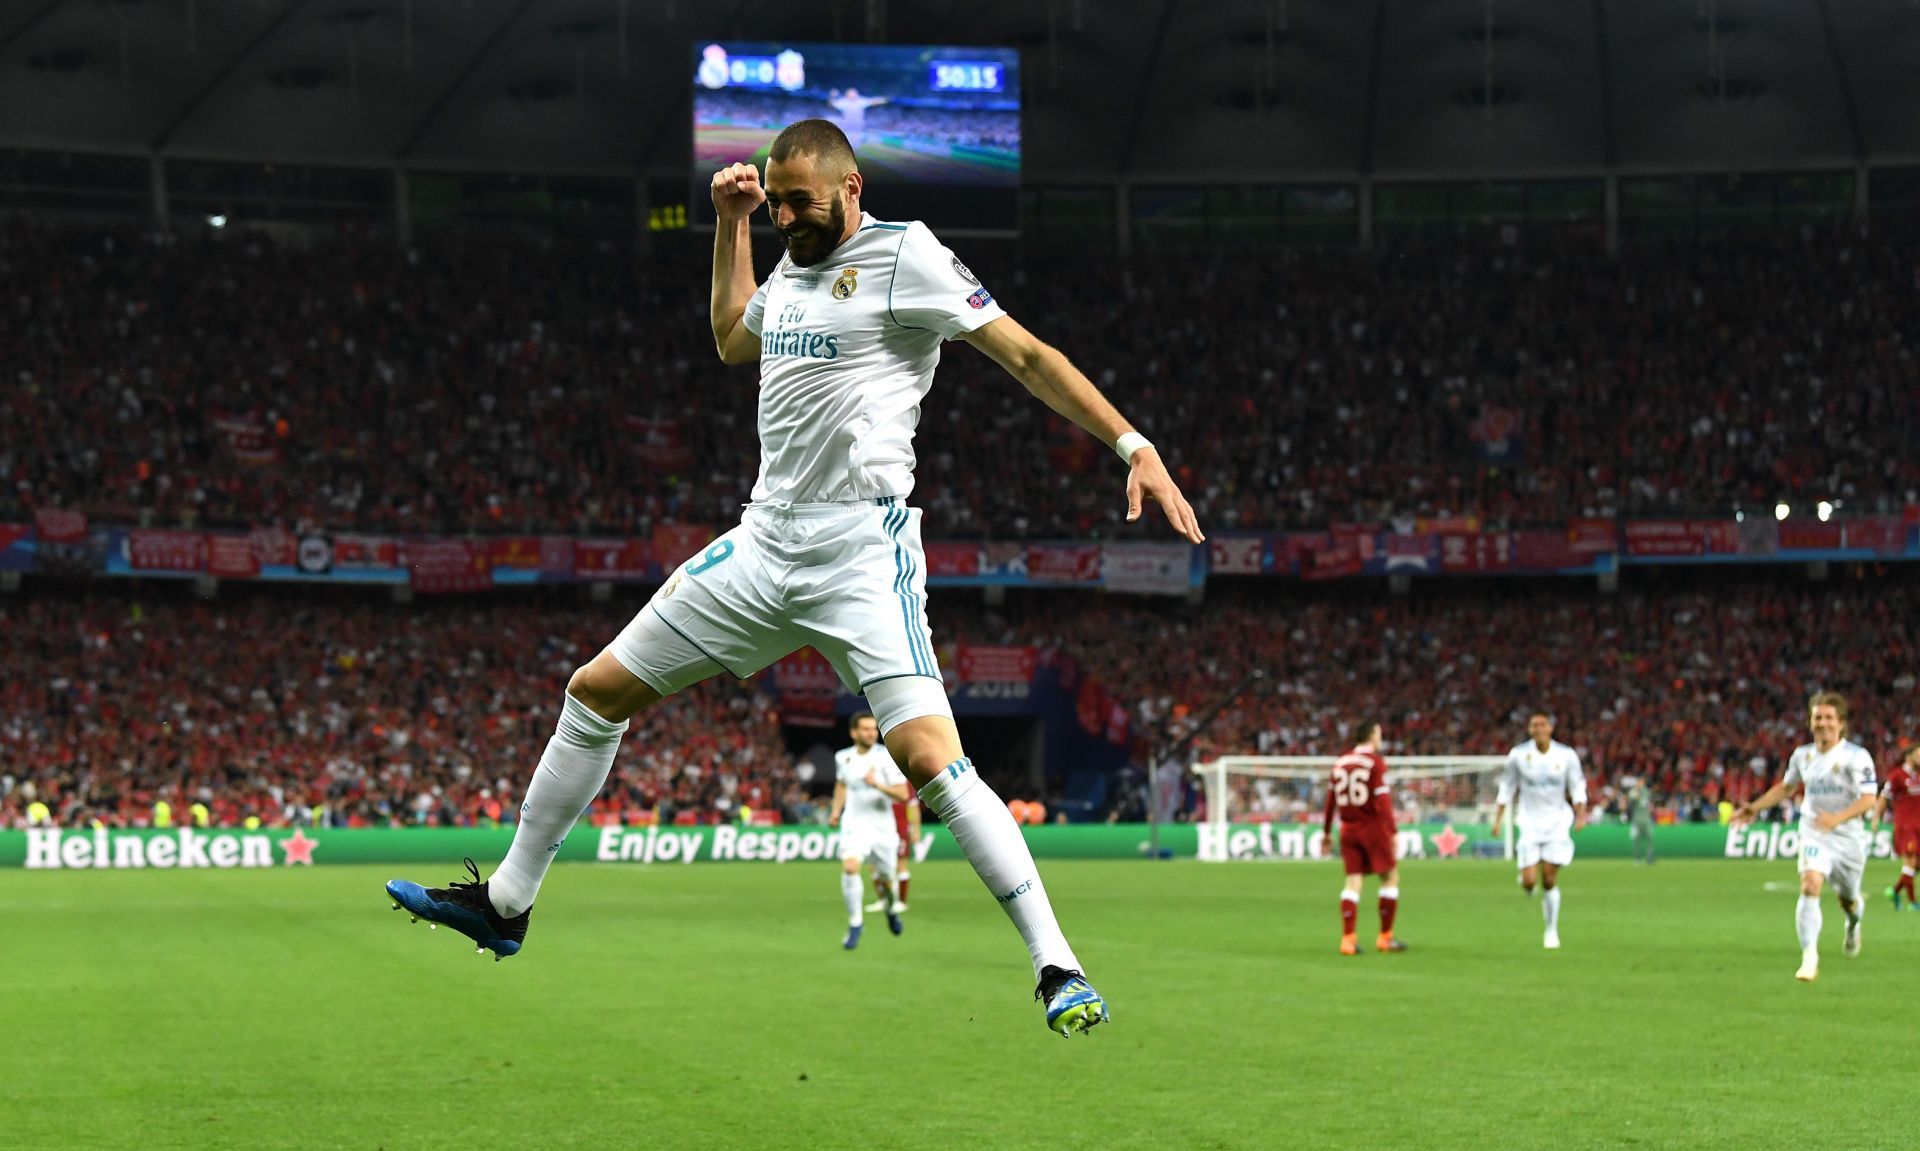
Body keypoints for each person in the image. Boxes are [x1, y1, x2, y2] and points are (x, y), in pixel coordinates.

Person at [384, 117, 1203, 1037]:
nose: (786, 217)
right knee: (595, 689)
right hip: (763, 542)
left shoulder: (909, 257)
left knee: (928, 756)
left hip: (861, 549)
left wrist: (1134, 446)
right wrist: (732, 227)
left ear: (851, 187)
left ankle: (1058, 964)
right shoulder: (787, 260)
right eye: (774, 202)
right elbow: (736, 340)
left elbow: (1026, 356)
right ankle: (507, 901)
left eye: (797, 203)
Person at [1732, 692, 1879, 982]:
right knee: (1810, 884)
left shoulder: (1856, 756)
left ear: (1841, 724)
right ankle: (1809, 957)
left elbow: (1869, 799)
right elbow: (1786, 788)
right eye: (1817, 717)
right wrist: (1754, 807)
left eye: (1828, 717)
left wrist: (1836, 819)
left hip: (1848, 838)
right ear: (1810, 722)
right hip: (1814, 832)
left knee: (1848, 900)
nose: (1822, 723)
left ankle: (1853, 923)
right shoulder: (1803, 755)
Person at [1489, 712, 1588, 950]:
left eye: (1543, 724)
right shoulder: (1519, 755)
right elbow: (1507, 787)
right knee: (1529, 881)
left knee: (1550, 878)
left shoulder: (1566, 755)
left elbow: (1577, 786)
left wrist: (1581, 814)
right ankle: (1526, 881)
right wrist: (1498, 820)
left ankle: (1551, 931)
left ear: (1551, 728)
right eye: (1534, 725)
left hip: (1556, 822)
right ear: (1530, 729)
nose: (1538, 728)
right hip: (1530, 822)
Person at [1320, 721, 1405, 955]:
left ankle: (1348, 940)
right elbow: (1384, 800)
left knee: (1352, 883)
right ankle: (1385, 938)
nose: (1381, 738)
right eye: (1379, 734)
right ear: (1371, 736)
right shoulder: (1375, 763)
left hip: (1347, 829)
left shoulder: (1340, 763)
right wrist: (1394, 831)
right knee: (1389, 878)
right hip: (1372, 827)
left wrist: (1326, 832)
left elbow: (1330, 802)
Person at [830, 712, 910, 949]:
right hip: (854, 825)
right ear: (854, 732)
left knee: (886, 881)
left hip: (882, 828)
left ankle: (891, 910)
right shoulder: (842, 757)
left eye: (873, 729)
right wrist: (836, 811)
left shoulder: (887, 757)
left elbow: (903, 794)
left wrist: (877, 784)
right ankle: (856, 923)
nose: (871, 733)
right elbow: (841, 785)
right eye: (865, 729)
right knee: (850, 866)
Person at [1878, 743, 1920, 909]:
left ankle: (1895, 891)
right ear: (1908, 756)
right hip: (1906, 826)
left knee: (1917, 865)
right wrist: (1875, 817)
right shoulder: (1897, 776)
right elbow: (1884, 796)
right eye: (1918, 755)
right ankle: (1912, 902)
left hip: (1918, 826)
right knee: (1910, 862)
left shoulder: (1918, 776)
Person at [1625, 776, 1655, 865]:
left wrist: (1639, 792)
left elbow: (1649, 800)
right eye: (1638, 781)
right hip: (1636, 820)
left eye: (1641, 782)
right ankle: (1637, 858)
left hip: (1646, 819)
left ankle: (1649, 857)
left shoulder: (1646, 791)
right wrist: (1636, 793)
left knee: (1650, 838)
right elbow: (1630, 801)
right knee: (1636, 840)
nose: (1639, 783)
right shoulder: (1633, 791)